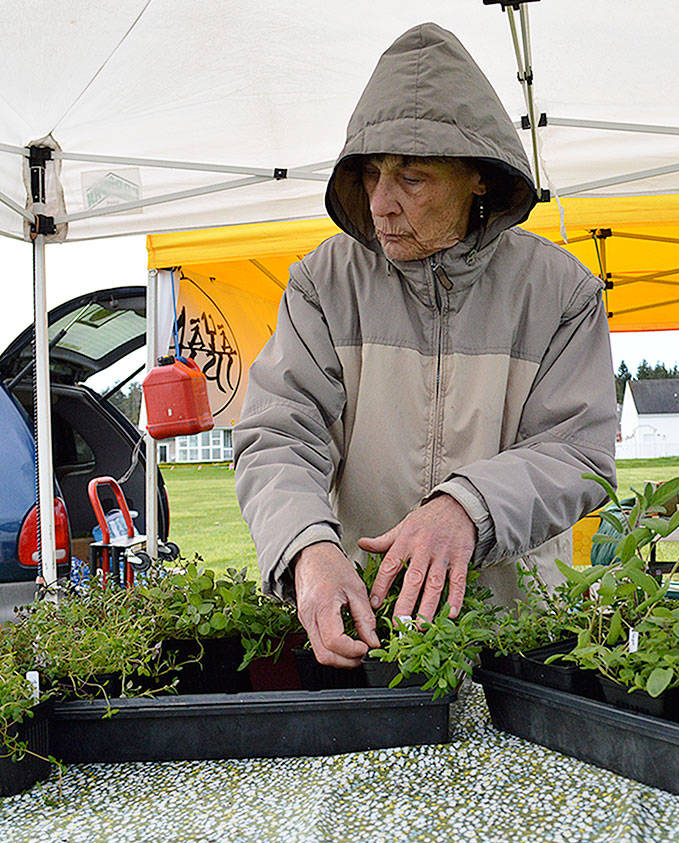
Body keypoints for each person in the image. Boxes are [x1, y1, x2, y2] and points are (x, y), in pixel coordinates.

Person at [231, 23, 618, 668]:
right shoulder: (325, 282)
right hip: (363, 627)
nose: (381, 203)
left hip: (517, 636)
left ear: (480, 180)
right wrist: (308, 550)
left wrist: (467, 508)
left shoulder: (561, 292)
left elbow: (578, 453)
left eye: (411, 178)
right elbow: (277, 434)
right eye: (374, 175)